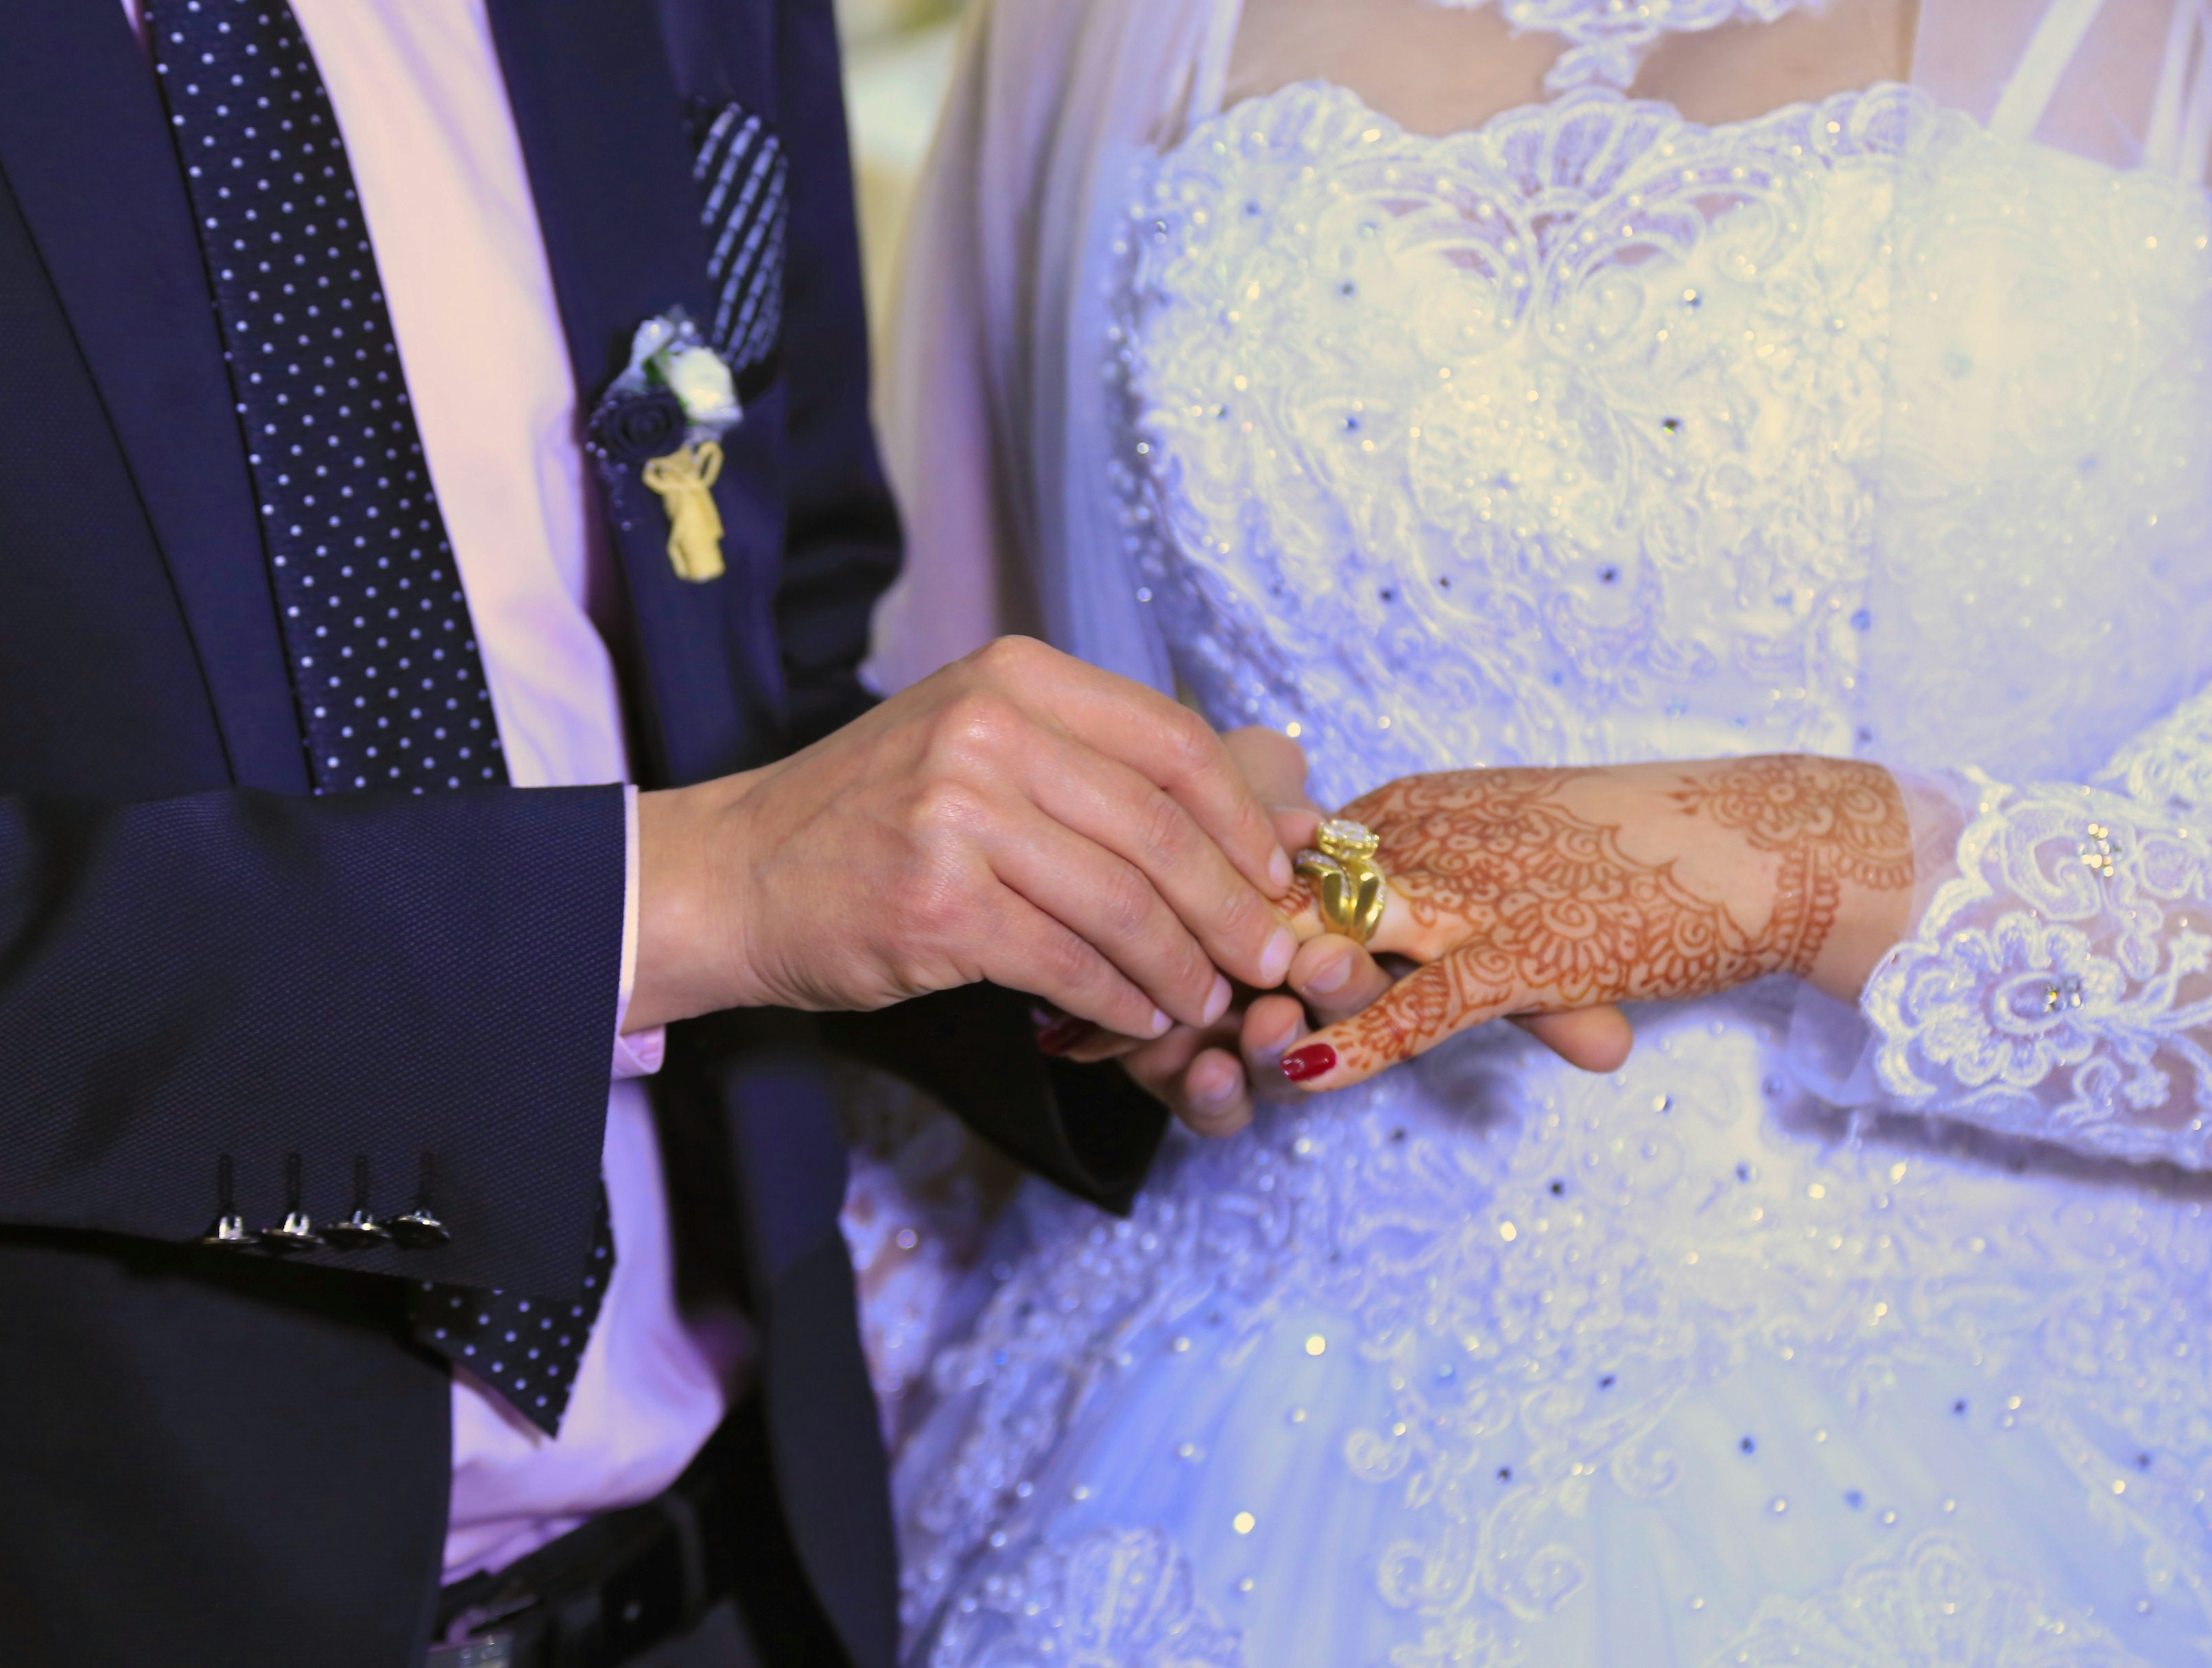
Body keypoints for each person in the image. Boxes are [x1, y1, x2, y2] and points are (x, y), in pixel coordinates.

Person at [0, 3, 1314, 1665]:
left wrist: (1125, 900)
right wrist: (679, 894)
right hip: (30, 1589)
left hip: (740, 1576)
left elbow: (777, 652)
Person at [875, 0, 2212, 1660]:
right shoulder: (1105, 30)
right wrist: (1165, 919)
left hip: (2017, 1415)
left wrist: (1816, 854)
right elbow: (952, 748)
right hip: (1212, 1382)